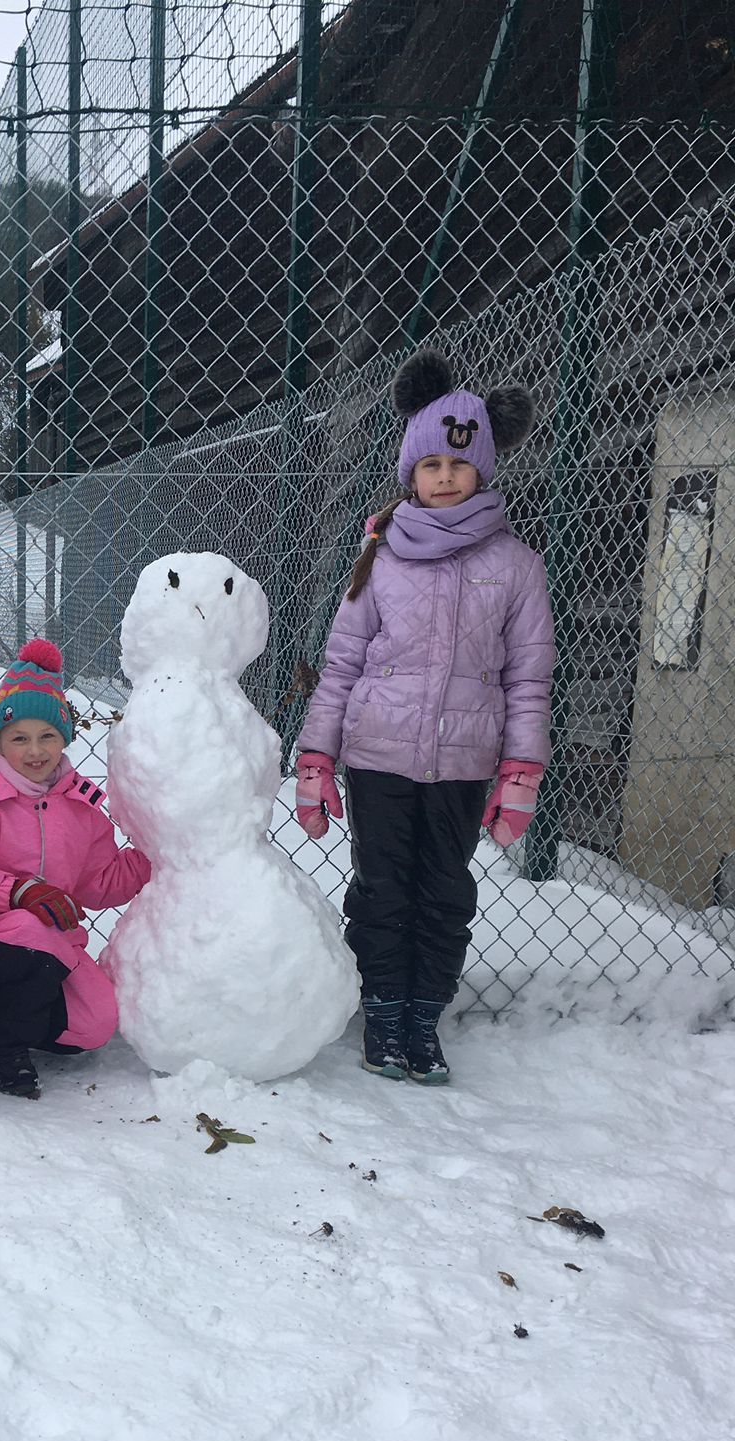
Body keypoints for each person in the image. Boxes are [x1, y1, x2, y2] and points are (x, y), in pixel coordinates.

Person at [294, 351, 554, 1085]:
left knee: (444, 891)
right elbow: (341, 660)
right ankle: (381, 1006)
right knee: (381, 886)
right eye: (431, 462)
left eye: (460, 464)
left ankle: (421, 1013)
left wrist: (521, 770)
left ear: (484, 470)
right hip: (377, 754)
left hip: (464, 762)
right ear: (411, 468)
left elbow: (529, 677)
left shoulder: (517, 566)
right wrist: (317, 757)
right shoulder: (378, 556)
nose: (444, 476)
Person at [0, 638, 151, 1099]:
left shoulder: (82, 810)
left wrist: (158, 856)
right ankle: (1, 1044)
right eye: (19, 738)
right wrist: (16, 893)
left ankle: (16, 1011)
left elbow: (99, 883)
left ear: (64, 738)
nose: (35, 751)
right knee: (27, 931)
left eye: (47, 736)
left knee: (94, 1024)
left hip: (53, 945)